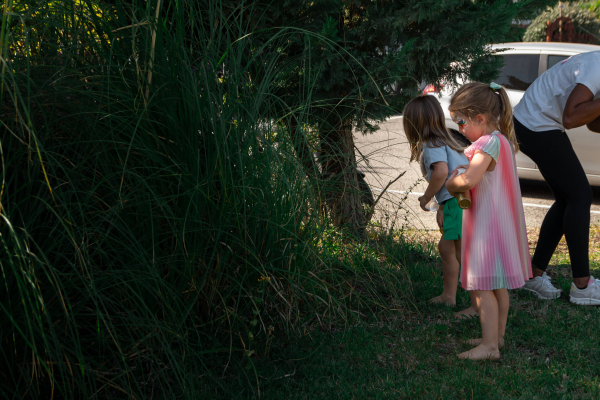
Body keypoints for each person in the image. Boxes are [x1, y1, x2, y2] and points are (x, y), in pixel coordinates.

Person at [446, 82, 532, 360]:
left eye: (460, 122)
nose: (459, 128)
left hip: (486, 229)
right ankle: (498, 336)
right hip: (500, 227)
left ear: (479, 119)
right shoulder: (503, 140)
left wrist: (451, 183)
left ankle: (489, 346)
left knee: (482, 286)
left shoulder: (485, 144)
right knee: (498, 285)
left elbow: (470, 180)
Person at [513, 51, 600, 305]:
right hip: (535, 124)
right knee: (580, 195)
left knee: (567, 199)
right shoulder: (596, 67)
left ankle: (533, 275)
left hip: (537, 122)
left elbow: (592, 124)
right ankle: (582, 286)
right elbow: (571, 118)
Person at [403, 95, 477, 318]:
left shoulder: (431, 142)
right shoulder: (450, 138)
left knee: (461, 252)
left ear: (413, 123)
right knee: (452, 249)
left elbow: (442, 173)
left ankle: (473, 304)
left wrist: (427, 198)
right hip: (461, 199)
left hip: (457, 202)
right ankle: (450, 296)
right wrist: (444, 205)